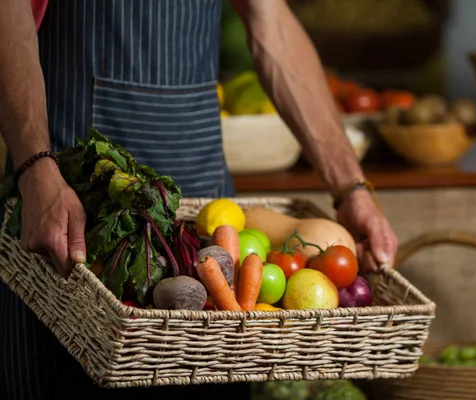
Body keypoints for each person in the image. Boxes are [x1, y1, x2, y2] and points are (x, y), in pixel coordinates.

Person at [0, 0, 399, 399]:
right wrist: (36, 168)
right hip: (72, 200)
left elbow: (272, 22)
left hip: (205, 198)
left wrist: (351, 187)